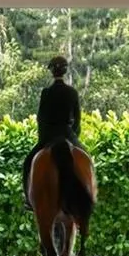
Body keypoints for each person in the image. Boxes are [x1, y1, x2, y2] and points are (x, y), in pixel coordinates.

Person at [24, 55, 82, 211]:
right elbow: (77, 120)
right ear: (65, 71)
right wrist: (74, 137)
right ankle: (87, 193)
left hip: (49, 135)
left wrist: (42, 138)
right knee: (86, 159)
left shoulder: (46, 92)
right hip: (67, 134)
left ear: (51, 72)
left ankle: (28, 199)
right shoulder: (72, 92)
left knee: (28, 163)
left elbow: (41, 118)